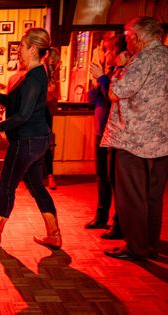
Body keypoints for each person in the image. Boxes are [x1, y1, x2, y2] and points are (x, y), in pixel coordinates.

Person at [0, 28, 62, 250]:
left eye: (21, 45)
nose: (18, 50)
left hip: (27, 142)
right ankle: (54, 235)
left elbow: (23, 115)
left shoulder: (33, 77)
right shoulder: (35, 74)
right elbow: (14, 103)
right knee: (37, 186)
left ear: (32, 48)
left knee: (6, 186)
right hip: (37, 140)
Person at [102, 16, 168, 261]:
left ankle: (136, 248)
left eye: (127, 35)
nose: (126, 41)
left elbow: (114, 94)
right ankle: (149, 244)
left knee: (132, 197)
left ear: (138, 36)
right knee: (153, 197)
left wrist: (117, 70)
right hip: (162, 140)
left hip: (134, 139)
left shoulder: (141, 60)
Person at [85, 35, 129, 241]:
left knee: (115, 179)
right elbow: (95, 100)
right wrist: (94, 84)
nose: (105, 54)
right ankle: (101, 217)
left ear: (120, 52)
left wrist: (102, 79)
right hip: (100, 130)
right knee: (102, 176)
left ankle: (119, 223)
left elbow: (113, 99)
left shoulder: (122, 74)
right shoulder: (110, 74)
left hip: (113, 134)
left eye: (108, 49)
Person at [43, 47, 60, 190]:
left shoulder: (52, 76)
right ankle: (48, 176)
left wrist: (51, 95)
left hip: (45, 113)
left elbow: (54, 98)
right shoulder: (44, 72)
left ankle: (49, 176)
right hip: (41, 113)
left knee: (46, 146)